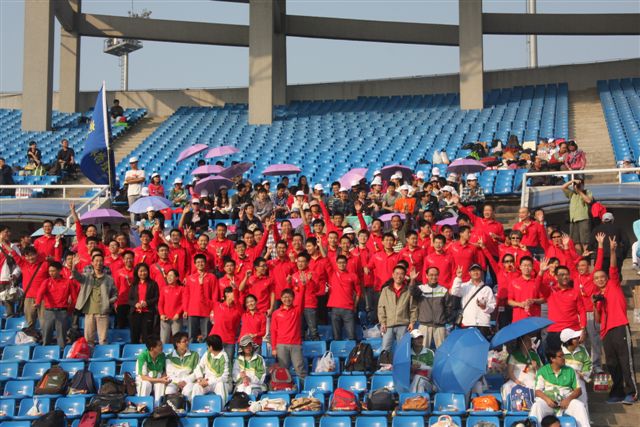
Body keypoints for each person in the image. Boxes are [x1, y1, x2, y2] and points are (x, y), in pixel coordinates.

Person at [593, 236, 638, 404]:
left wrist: (612, 250)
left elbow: (612, 267)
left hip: (619, 326)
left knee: (625, 361)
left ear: (606, 278)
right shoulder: (597, 296)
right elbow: (597, 319)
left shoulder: (613, 284)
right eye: (596, 278)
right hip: (606, 332)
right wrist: (595, 304)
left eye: (602, 277)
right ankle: (617, 392)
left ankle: (631, 392)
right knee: (612, 363)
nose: (600, 279)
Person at [529, 347, 590, 427]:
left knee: (579, 406)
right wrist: (547, 400)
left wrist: (568, 399)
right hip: (549, 403)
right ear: (552, 359)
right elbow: (537, 391)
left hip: (566, 402)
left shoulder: (570, 371)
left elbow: (578, 390)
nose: (564, 358)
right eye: (560, 356)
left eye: (564, 355)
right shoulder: (542, 371)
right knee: (537, 406)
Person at [72, 253, 118, 346]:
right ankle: (90, 354)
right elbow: (76, 276)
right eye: (96, 261)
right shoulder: (86, 277)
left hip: (103, 312)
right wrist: (74, 266)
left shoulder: (109, 279)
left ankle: (103, 355)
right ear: (92, 263)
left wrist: (109, 301)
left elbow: (115, 294)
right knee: (88, 339)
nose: (98, 263)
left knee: (103, 340)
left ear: (103, 263)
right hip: (89, 312)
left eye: (101, 261)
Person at [411, 266, 454, 348]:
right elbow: (411, 292)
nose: (433, 277)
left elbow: (449, 307)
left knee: (442, 351)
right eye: (431, 275)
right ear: (426, 276)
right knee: (422, 350)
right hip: (424, 325)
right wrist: (412, 280)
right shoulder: (421, 288)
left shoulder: (443, 290)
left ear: (438, 276)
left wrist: (444, 319)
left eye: (436, 275)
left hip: (440, 326)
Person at [378, 264, 418, 352]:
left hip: (403, 324)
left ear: (404, 276)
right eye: (397, 273)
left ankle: (401, 362)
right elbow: (381, 307)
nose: (399, 276)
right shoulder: (386, 290)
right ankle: (385, 361)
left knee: (402, 349)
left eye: (401, 274)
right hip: (388, 324)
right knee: (385, 349)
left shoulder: (408, 291)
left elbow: (413, 308)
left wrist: (412, 322)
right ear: (393, 275)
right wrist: (383, 322)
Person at [450, 264, 496, 338]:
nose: (475, 272)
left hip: (483, 324)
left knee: (482, 345)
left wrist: (484, 307)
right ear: (469, 273)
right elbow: (454, 292)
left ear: (481, 272)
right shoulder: (464, 286)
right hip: (468, 323)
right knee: (468, 345)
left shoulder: (487, 289)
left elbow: (492, 307)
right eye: (473, 270)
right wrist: (458, 278)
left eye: (478, 270)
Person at [36, 261, 73, 348]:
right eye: (50, 271)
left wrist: (71, 309)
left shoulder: (67, 282)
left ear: (59, 271)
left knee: (61, 335)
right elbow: (40, 293)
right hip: (49, 311)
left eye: (53, 271)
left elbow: (74, 297)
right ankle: (45, 349)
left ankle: (62, 351)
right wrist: (38, 302)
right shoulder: (46, 282)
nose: (51, 273)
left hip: (62, 311)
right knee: (46, 333)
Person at [271, 288, 307, 379]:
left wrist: (303, 286)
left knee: (300, 369)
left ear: (293, 298)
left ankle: (304, 387)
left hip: (295, 344)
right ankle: (286, 387)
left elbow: (301, 299)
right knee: (283, 371)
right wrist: (274, 348)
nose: (287, 299)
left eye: (289, 297)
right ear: (281, 298)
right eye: (284, 297)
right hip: (281, 345)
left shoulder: (297, 310)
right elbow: (273, 331)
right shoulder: (276, 313)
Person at [184, 254, 217, 341]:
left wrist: (213, 309)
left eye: (202, 262)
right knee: (191, 336)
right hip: (193, 310)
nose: (200, 264)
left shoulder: (212, 277)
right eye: (198, 262)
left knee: (206, 336)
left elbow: (215, 294)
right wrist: (185, 309)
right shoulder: (190, 278)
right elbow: (186, 295)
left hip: (206, 310)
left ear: (205, 263)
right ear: (195, 264)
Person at [500, 334, 542, 402]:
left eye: (530, 341)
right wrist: (517, 381)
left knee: (534, 386)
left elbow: (541, 371)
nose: (529, 343)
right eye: (526, 341)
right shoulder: (514, 355)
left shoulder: (534, 355)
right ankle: (509, 405)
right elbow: (510, 372)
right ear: (521, 343)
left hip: (530, 378)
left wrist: (536, 366)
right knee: (507, 386)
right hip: (516, 379)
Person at [561, 328, 593, 411]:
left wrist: (584, 374)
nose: (578, 339)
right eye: (575, 338)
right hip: (563, 381)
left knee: (582, 402)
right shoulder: (560, 352)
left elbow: (588, 363)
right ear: (569, 341)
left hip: (579, 380)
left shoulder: (582, 349)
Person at [193, 334, 230, 402]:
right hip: (207, 382)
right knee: (197, 387)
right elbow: (199, 366)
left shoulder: (224, 357)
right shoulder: (207, 353)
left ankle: (221, 407)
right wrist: (200, 378)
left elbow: (224, 377)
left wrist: (208, 382)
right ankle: (196, 407)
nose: (207, 347)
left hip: (218, 383)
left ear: (211, 347)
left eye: (207, 346)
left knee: (221, 385)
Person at [165, 331, 200, 401]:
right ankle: (171, 407)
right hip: (175, 382)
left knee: (188, 390)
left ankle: (188, 406)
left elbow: (196, 372)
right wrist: (178, 382)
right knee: (169, 391)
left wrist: (185, 381)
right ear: (177, 344)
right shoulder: (169, 357)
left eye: (187, 341)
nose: (187, 343)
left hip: (189, 382)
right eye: (184, 341)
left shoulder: (194, 355)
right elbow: (169, 374)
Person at [136, 336, 170, 407]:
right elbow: (143, 377)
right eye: (159, 345)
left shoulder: (162, 355)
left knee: (160, 384)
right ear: (152, 348)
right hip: (144, 379)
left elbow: (164, 370)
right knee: (146, 384)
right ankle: (142, 406)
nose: (162, 347)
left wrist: (163, 378)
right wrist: (160, 379)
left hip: (158, 378)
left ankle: (158, 407)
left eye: (161, 345)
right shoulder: (143, 356)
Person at [562, 177, 592, 255]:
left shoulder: (587, 192)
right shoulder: (571, 194)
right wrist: (572, 181)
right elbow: (563, 187)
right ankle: (579, 257)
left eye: (580, 184)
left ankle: (586, 257)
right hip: (573, 220)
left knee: (585, 241)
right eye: (576, 184)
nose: (578, 185)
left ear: (583, 185)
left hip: (583, 219)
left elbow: (589, 200)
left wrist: (579, 191)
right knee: (575, 242)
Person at [158, 270, 185, 344]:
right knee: (164, 340)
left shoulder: (181, 289)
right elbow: (160, 303)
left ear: (177, 278)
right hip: (165, 318)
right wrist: (161, 314)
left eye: (171, 275)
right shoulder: (164, 289)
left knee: (177, 341)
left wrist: (178, 313)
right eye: (168, 275)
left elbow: (184, 303)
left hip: (176, 318)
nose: (169, 277)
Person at [409, 329, 435, 393]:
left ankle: (414, 397)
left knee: (418, 378)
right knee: (417, 378)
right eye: (417, 338)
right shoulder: (407, 353)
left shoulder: (429, 352)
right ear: (412, 340)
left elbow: (433, 369)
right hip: (411, 381)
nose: (420, 340)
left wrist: (420, 367)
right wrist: (411, 368)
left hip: (427, 382)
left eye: (421, 337)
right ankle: (418, 397)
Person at [114, 250, 134, 328]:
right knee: (121, 325)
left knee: (133, 325)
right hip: (121, 302)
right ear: (123, 260)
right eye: (126, 258)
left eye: (130, 258)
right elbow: (116, 287)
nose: (128, 260)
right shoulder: (118, 272)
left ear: (133, 259)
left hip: (133, 302)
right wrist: (115, 302)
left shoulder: (137, 272)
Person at [125, 157, 146, 224]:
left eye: (133, 163)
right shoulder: (128, 172)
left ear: (136, 163)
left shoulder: (142, 171)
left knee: (141, 210)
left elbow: (142, 179)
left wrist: (132, 179)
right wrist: (137, 179)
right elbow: (128, 181)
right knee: (132, 210)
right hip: (131, 193)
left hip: (140, 193)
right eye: (131, 163)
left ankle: (142, 224)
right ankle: (133, 223)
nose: (132, 164)